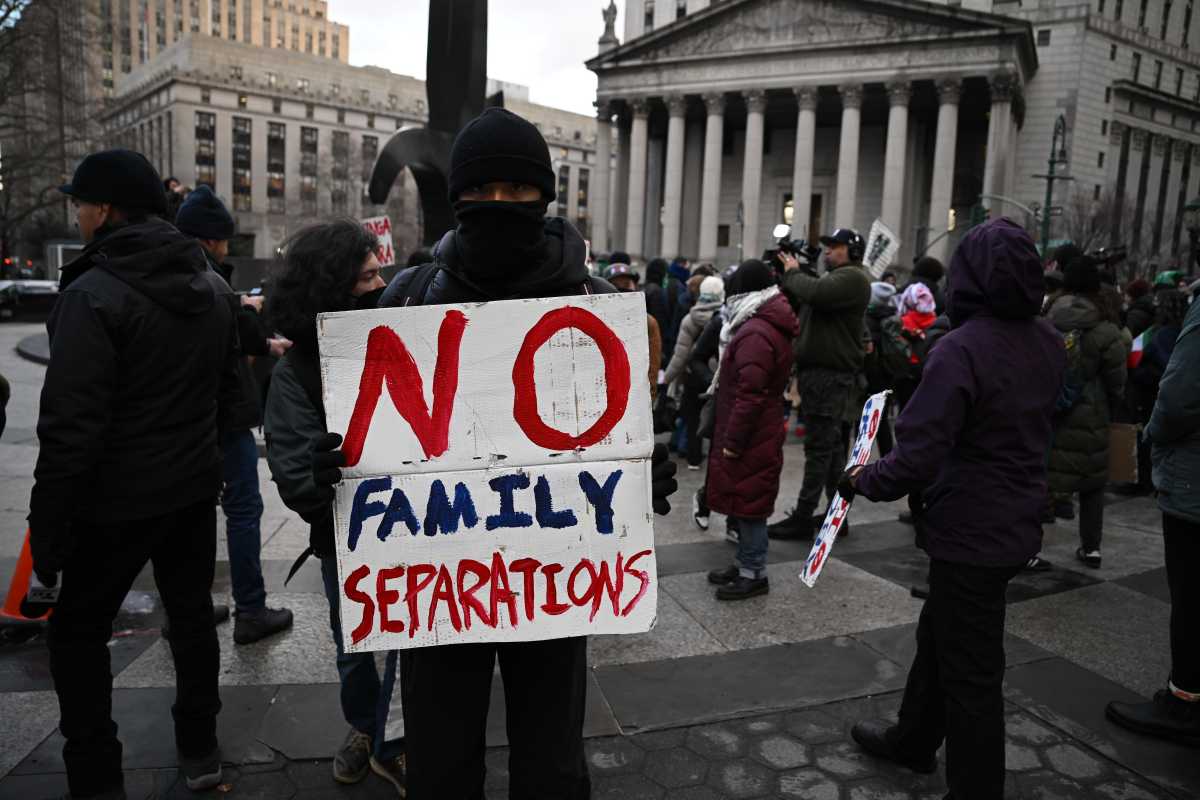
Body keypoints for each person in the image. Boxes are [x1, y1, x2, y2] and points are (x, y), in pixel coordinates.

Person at [311, 107, 678, 799]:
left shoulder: (596, 306)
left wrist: (641, 469)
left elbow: (615, 445)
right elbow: (365, 440)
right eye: (483, 192)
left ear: (545, 197)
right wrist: (329, 472)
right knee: (442, 764)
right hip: (438, 590)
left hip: (556, 584)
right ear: (457, 200)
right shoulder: (406, 299)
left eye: (518, 191)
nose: (501, 206)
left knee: (552, 763)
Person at [29, 149, 240, 798]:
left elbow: (69, 428)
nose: (79, 213)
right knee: (192, 615)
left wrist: (48, 532)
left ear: (106, 210)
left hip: (112, 504)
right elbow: (230, 401)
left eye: (81, 203)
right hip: (190, 491)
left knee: (78, 634)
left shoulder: (93, 292)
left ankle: (97, 776)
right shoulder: (212, 286)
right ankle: (200, 746)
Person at [840, 218, 1066, 800]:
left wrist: (863, 481)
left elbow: (916, 456)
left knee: (971, 672)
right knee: (941, 636)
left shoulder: (959, 349)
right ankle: (914, 739)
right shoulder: (1046, 338)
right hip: (1011, 519)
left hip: (971, 527)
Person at [262, 220, 408, 793]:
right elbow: (297, 478)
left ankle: (399, 735)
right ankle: (365, 729)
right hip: (344, 539)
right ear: (332, 286)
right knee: (356, 643)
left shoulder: (401, 341)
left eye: (381, 271)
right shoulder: (297, 373)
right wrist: (327, 482)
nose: (382, 283)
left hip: (416, 529)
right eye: (369, 275)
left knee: (411, 638)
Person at [175, 185, 295, 645]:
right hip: (223, 414)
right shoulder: (211, 280)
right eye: (225, 240)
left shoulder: (163, 272)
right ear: (212, 240)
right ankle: (250, 609)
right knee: (243, 509)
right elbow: (237, 334)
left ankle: (187, 608)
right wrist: (251, 318)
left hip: (181, 419)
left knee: (190, 512)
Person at [1106, 292, 1200, 744]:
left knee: (1191, 594)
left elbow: (1179, 398)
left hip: (1195, 480)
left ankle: (1185, 700)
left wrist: (1154, 437)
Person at [704, 260, 798, 599]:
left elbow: (750, 393)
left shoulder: (756, 332)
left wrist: (733, 440)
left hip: (752, 432)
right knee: (744, 500)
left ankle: (753, 572)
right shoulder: (760, 325)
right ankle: (744, 561)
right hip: (759, 428)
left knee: (750, 506)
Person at [768, 227, 870, 541]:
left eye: (835, 247)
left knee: (819, 451)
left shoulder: (854, 278)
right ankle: (837, 513)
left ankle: (803, 515)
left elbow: (814, 293)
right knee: (832, 449)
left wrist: (793, 271)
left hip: (830, 377)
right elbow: (807, 296)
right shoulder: (833, 280)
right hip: (820, 376)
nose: (828, 252)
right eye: (827, 247)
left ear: (852, 252)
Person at [1046, 256, 1127, 568]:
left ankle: (1028, 549)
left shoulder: (1049, 316)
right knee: (1093, 484)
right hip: (1093, 415)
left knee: (1044, 478)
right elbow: (1117, 382)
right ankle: (1091, 547)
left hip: (1051, 409)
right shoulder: (1107, 328)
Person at [665, 275, 725, 469]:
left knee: (692, 419)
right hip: (716, 376)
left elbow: (680, 354)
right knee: (716, 417)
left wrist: (666, 379)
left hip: (692, 374)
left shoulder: (689, 319)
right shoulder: (726, 319)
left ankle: (693, 458)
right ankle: (717, 457)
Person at [608, 263, 663, 400]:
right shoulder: (598, 319)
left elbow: (653, 366)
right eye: (615, 285)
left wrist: (648, 400)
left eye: (626, 284)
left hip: (636, 397)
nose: (621, 290)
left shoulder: (648, 322)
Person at [862, 280, 898, 455]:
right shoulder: (894, 317)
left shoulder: (866, 319)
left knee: (864, 422)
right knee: (881, 421)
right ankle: (887, 457)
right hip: (888, 375)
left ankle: (859, 463)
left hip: (869, 375)